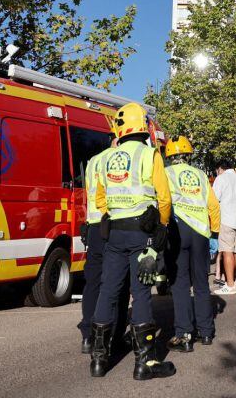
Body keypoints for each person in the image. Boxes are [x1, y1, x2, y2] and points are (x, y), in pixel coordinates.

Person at [87, 103, 176, 380]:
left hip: (114, 231)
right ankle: (145, 363)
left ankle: (98, 360)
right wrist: (160, 227)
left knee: (108, 291)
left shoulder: (105, 158)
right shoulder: (150, 155)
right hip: (143, 232)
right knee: (141, 292)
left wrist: (113, 213)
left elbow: (100, 198)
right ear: (143, 126)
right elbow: (164, 197)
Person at [163, 136, 222, 352]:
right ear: (188, 154)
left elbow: (163, 200)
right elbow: (213, 206)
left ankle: (184, 334)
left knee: (180, 284)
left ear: (169, 155)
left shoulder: (166, 173)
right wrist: (214, 233)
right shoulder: (200, 175)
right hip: (200, 232)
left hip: (178, 229)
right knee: (201, 283)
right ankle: (206, 332)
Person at [78, 138, 128, 354]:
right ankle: (113, 338)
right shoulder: (120, 159)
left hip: (93, 226)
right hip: (113, 225)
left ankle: (89, 336)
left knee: (93, 283)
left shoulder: (93, 161)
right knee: (117, 283)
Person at [212, 159, 236, 295]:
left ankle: (230, 284)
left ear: (220, 169)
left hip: (227, 220)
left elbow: (214, 200)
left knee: (227, 251)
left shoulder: (221, 179)